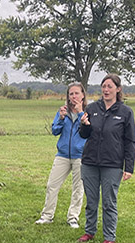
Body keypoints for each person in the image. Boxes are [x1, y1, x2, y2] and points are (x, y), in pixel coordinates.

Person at [77, 74, 135, 243]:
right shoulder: (93, 108)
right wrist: (84, 125)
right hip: (90, 162)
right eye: (104, 86)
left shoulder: (125, 112)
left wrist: (129, 167)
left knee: (109, 201)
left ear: (118, 89)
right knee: (92, 200)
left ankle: (109, 235)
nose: (106, 90)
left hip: (112, 164)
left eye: (110, 86)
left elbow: (130, 141)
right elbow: (84, 135)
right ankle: (90, 231)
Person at [35, 82, 88, 228]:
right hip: (63, 154)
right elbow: (55, 131)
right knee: (52, 185)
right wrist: (61, 118)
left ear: (83, 95)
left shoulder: (88, 111)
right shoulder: (63, 111)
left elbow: (89, 130)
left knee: (78, 188)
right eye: (71, 94)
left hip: (80, 155)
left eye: (77, 93)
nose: (74, 96)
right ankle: (47, 216)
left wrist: (80, 113)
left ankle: (73, 218)